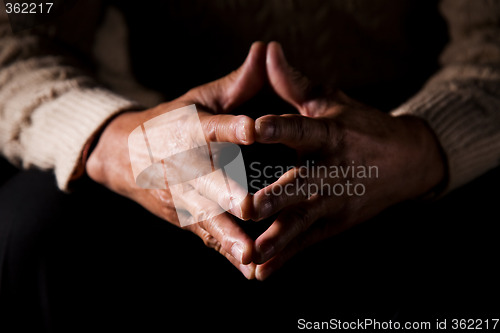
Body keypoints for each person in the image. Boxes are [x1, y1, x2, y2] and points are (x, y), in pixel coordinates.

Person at [1, 0, 499, 331]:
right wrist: (117, 145)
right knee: (33, 234)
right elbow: (15, 37)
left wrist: (422, 144)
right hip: (165, 130)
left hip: (399, 131)